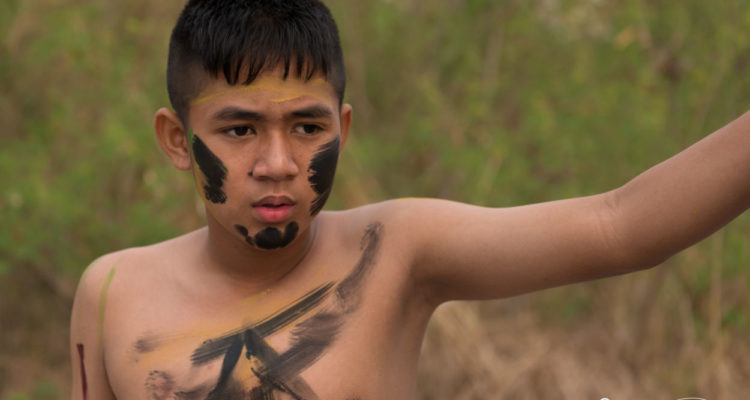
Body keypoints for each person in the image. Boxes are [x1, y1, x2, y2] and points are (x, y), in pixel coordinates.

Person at [68, 0, 750, 399]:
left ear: (343, 128)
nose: (278, 164)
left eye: (307, 127)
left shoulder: (393, 253)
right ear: (177, 139)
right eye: (240, 130)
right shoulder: (112, 293)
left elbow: (619, 226)